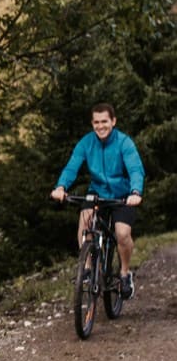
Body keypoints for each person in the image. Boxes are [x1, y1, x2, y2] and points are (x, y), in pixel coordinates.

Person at [50, 102, 145, 299]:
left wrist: (135, 191)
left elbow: (135, 169)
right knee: (85, 222)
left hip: (122, 196)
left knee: (122, 233)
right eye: (96, 122)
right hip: (98, 193)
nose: (100, 126)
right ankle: (86, 270)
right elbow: (72, 167)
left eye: (104, 121)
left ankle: (125, 273)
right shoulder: (86, 143)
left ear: (113, 121)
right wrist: (61, 187)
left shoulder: (124, 142)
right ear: (92, 123)